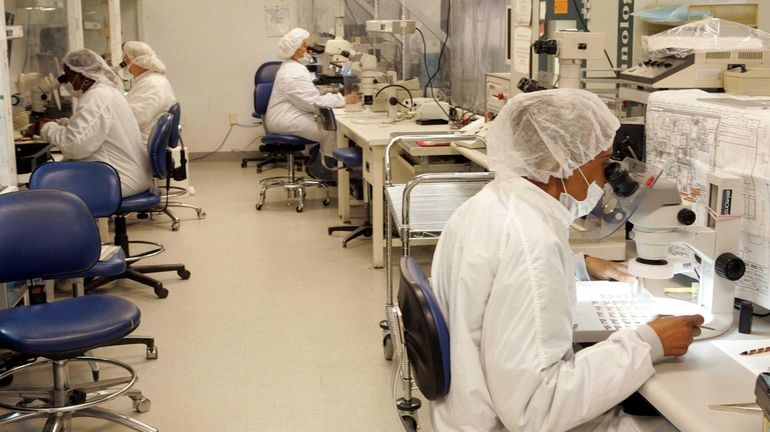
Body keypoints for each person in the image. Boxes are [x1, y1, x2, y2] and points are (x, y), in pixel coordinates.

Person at [430, 88, 703, 432]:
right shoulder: (531, 245)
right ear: (562, 159)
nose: (607, 177)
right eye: (604, 163)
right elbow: (535, 412)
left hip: (470, 410)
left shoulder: (491, 205)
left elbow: (491, 286)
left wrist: (577, 266)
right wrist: (648, 343)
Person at [42, 49, 152, 197]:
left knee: (45, 187)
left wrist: (46, 128)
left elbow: (75, 144)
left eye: (69, 76)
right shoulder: (106, 91)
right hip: (130, 173)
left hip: (117, 180)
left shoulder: (96, 97)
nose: (67, 82)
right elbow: (94, 126)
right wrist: (63, 124)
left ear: (82, 75)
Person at [264, 27, 360, 158]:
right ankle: (326, 168)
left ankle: (318, 158)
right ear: (295, 52)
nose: (309, 49)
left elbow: (307, 93)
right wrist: (344, 100)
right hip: (285, 120)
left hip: (289, 115)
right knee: (330, 128)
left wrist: (334, 92)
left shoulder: (293, 67)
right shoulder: (293, 73)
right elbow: (312, 103)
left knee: (328, 122)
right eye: (304, 46)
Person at [121, 41, 177, 144]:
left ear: (139, 61)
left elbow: (136, 119)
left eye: (127, 60)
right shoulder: (149, 80)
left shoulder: (152, 84)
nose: (126, 66)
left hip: (140, 145)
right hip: (138, 140)